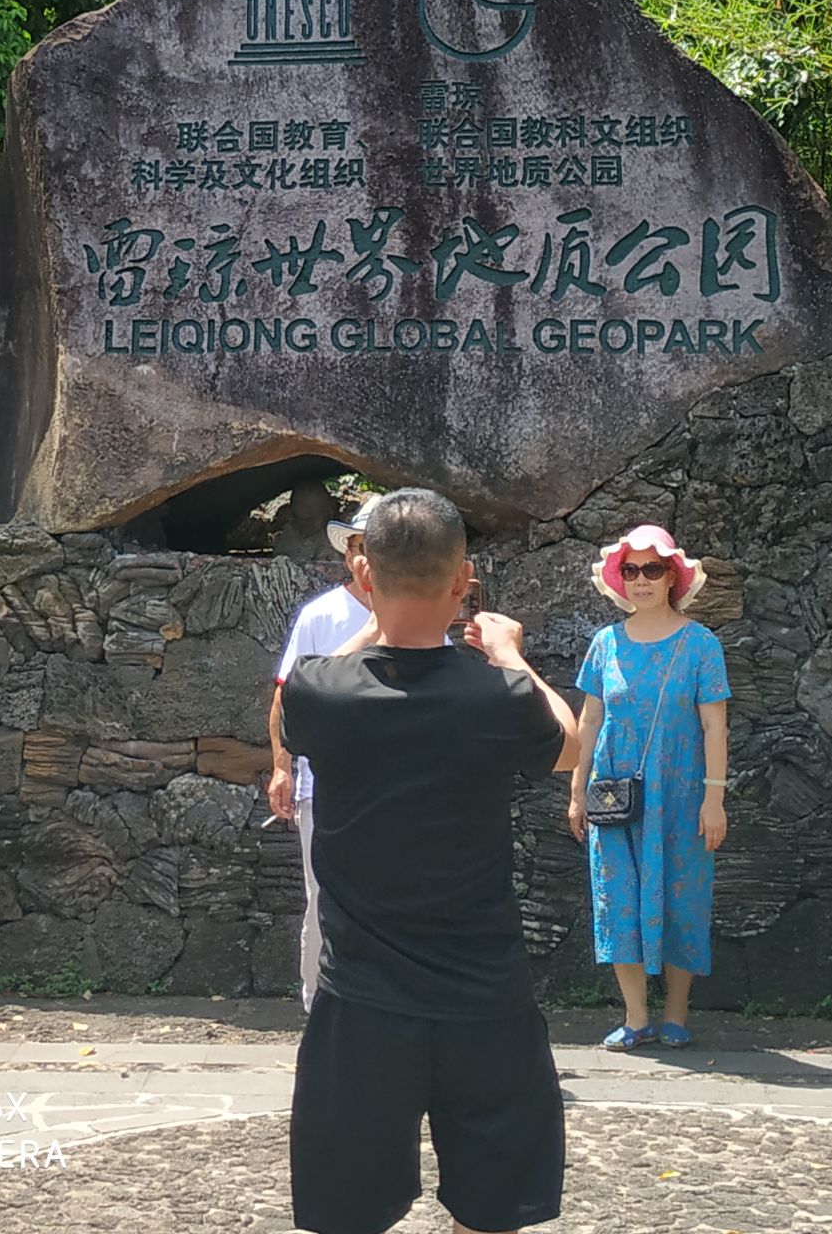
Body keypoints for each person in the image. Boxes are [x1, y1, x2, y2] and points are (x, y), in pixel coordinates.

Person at [281, 489, 579, 1234]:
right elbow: (574, 745)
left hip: (363, 1005)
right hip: (484, 997)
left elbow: (291, 705)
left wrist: (376, 619)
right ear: (463, 580)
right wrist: (509, 654)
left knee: (346, 1214)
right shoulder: (497, 696)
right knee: (493, 1208)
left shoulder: (327, 694)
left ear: (365, 575)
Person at [568, 523, 731, 1051]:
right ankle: (636, 1016)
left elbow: (714, 726)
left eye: (652, 569)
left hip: (682, 795)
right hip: (614, 795)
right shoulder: (604, 643)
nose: (640, 580)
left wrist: (714, 799)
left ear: (672, 578)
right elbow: (589, 721)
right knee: (618, 898)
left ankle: (677, 1014)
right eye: (631, 570)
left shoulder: (701, 645)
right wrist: (576, 789)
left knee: (684, 896)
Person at [268, 494, 383, 1012]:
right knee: (322, 901)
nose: (364, 558)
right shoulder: (321, 615)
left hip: (391, 781)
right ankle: (319, 1003)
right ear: (347, 554)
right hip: (324, 783)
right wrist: (280, 766)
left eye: (375, 546)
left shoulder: (418, 612)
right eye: (357, 546)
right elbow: (285, 692)